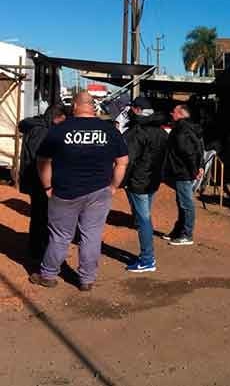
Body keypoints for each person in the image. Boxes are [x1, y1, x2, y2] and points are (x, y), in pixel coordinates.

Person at [29, 91, 129, 291]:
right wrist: (113, 186)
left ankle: (48, 274)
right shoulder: (110, 130)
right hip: (99, 191)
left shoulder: (60, 129)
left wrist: (47, 186)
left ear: (74, 106)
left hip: (65, 191)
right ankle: (87, 279)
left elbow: (43, 161)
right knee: (91, 235)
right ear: (93, 107)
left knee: (60, 235)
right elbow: (122, 162)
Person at [122, 96, 168, 272]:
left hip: (138, 181)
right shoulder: (161, 131)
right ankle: (147, 257)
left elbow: (128, 159)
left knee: (143, 220)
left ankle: (147, 259)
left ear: (138, 110)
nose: (130, 111)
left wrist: (122, 182)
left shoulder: (138, 131)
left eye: (132, 108)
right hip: (153, 180)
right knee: (144, 218)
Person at [18, 104, 67, 261]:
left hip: (36, 179)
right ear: (57, 117)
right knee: (41, 219)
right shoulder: (43, 131)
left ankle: (38, 251)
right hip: (39, 181)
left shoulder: (38, 126)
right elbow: (41, 159)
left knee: (40, 217)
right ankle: (39, 254)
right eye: (63, 120)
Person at [163, 104, 204, 246]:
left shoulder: (182, 130)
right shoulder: (187, 128)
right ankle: (179, 230)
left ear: (180, 114)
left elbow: (188, 153)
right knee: (182, 203)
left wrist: (194, 170)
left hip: (183, 172)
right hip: (182, 171)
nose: (171, 113)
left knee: (186, 204)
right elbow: (197, 149)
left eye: (173, 111)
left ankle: (187, 234)